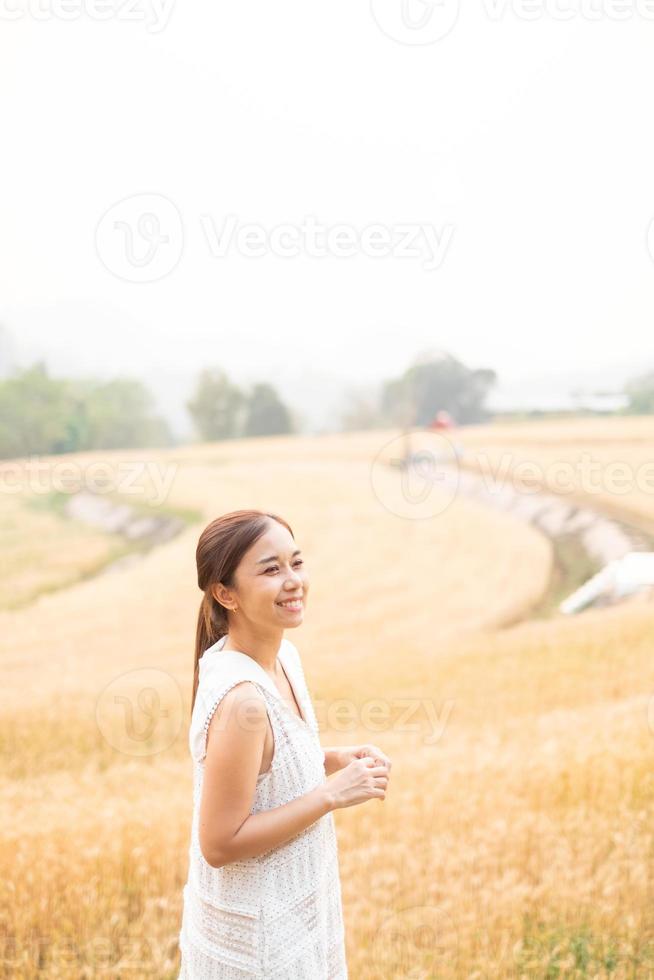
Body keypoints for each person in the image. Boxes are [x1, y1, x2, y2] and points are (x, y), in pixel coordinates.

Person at [177, 509, 392, 978]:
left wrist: (333, 759)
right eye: (271, 570)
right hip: (258, 944)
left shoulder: (284, 658)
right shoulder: (242, 701)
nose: (293, 580)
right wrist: (331, 795)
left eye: (296, 563)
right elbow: (219, 841)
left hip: (296, 917)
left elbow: (265, 771)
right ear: (225, 593)